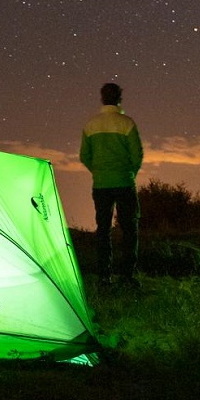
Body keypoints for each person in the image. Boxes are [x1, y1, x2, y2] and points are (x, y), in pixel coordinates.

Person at [80, 83, 144, 287]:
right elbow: (137, 155)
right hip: (124, 182)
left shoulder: (91, 125)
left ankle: (104, 276)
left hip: (101, 184)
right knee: (129, 229)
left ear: (102, 98)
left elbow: (84, 156)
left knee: (103, 229)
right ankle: (127, 275)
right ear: (120, 98)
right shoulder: (127, 124)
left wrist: (98, 171)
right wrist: (130, 172)